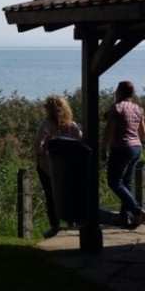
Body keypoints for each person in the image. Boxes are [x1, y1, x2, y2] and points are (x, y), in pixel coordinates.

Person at [34, 95, 82, 238]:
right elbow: (81, 142)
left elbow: (38, 147)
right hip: (67, 167)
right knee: (68, 195)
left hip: (47, 167)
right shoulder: (72, 126)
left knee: (51, 197)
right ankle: (71, 223)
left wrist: (45, 149)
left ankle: (55, 227)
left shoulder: (46, 125)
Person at [103, 80, 145, 229]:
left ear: (119, 92)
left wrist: (103, 148)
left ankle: (137, 210)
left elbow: (109, 130)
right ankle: (124, 218)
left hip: (121, 148)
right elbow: (143, 133)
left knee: (114, 182)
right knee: (126, 183)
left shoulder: (117, 108)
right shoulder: (138, 109)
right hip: (136, 148)